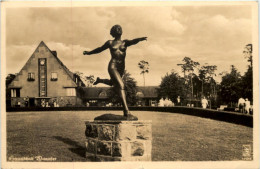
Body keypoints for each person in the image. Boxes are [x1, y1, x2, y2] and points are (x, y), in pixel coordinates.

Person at [83, 25, 147, 119]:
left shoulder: (125, 42)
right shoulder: (110, 42)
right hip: (113, 66)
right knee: (121, 86)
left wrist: (140, 39)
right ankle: (126, 112)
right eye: (117, 28)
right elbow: (99, 49)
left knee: (114, 83)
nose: (119, 29)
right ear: (113, 32)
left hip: (121, 68)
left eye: (120, 28)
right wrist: (89, 52)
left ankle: (100, 80)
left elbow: (133, 41)